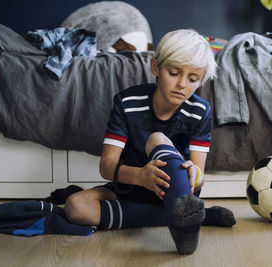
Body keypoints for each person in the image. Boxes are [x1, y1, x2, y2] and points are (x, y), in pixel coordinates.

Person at [64, 29, 235, 255]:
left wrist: (195, 175)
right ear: (156, 67)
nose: (182, 84)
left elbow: (199, 175)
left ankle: (183, 219)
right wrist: (140, 176)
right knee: (75, 206)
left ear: (200, 80)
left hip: (177, 194)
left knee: (157, 138)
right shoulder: (127, 102)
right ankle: (196, 217)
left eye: (193, 79)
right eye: (174, 73)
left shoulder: (200, 111)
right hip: (132, 188)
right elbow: (106, 166)